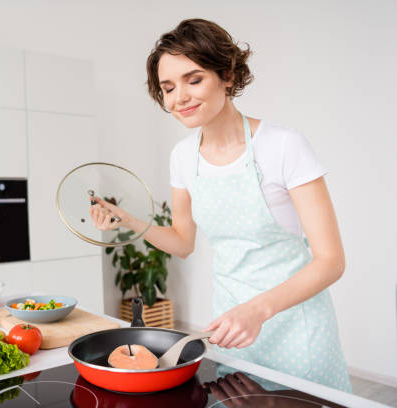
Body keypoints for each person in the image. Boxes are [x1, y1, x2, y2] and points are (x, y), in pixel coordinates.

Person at [89, 18, 352, 392]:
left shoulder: (282, 145)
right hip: (231, 328)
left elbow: (331, 260)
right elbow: (182, 241)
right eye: (168, 88)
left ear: (227, 75)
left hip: (295, 326)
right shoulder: (183, 157)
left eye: (193, 80)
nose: (179, 97)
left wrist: (258, 310)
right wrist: (128, 220)